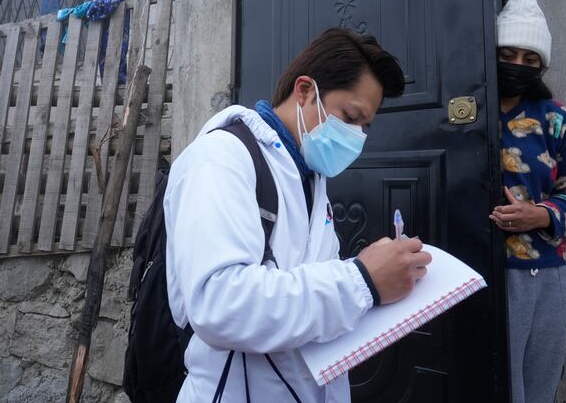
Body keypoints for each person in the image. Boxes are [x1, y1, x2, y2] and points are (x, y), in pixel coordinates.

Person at [164, 28, 433, 402]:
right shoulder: (221, 159)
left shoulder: (310, 177)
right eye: (350, 116)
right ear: (305, 90)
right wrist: (362, 281)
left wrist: (378, 286)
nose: (356, 136)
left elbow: (310, 286)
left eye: (365, 126)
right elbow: (218, 303)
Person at [489, 0, 566, 403]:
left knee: (536, 384)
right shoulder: (468, 114)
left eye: (529, 59)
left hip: (542, 273)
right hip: (480, 268)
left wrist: (541, 215)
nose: (517, 64)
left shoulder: (557, 118)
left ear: (541, 65)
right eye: (507, 53)